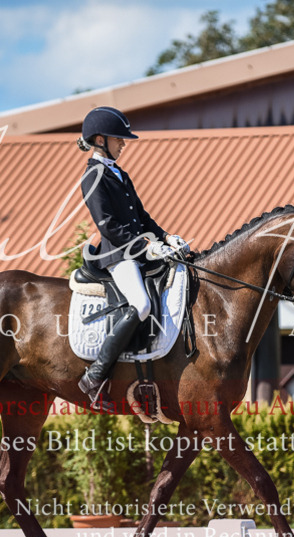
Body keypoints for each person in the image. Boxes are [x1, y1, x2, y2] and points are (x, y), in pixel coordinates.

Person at [76, 106, 189, 412]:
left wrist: (166, 238)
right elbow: (108, 225)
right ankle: (95, 375)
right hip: (117, 255)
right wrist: (146, 248)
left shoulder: (118, 173)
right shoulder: (93, 175)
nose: (123, 144)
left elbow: (142, 216)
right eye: (119, 139)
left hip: (137, 250)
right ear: (100, 140)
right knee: (142, 304)